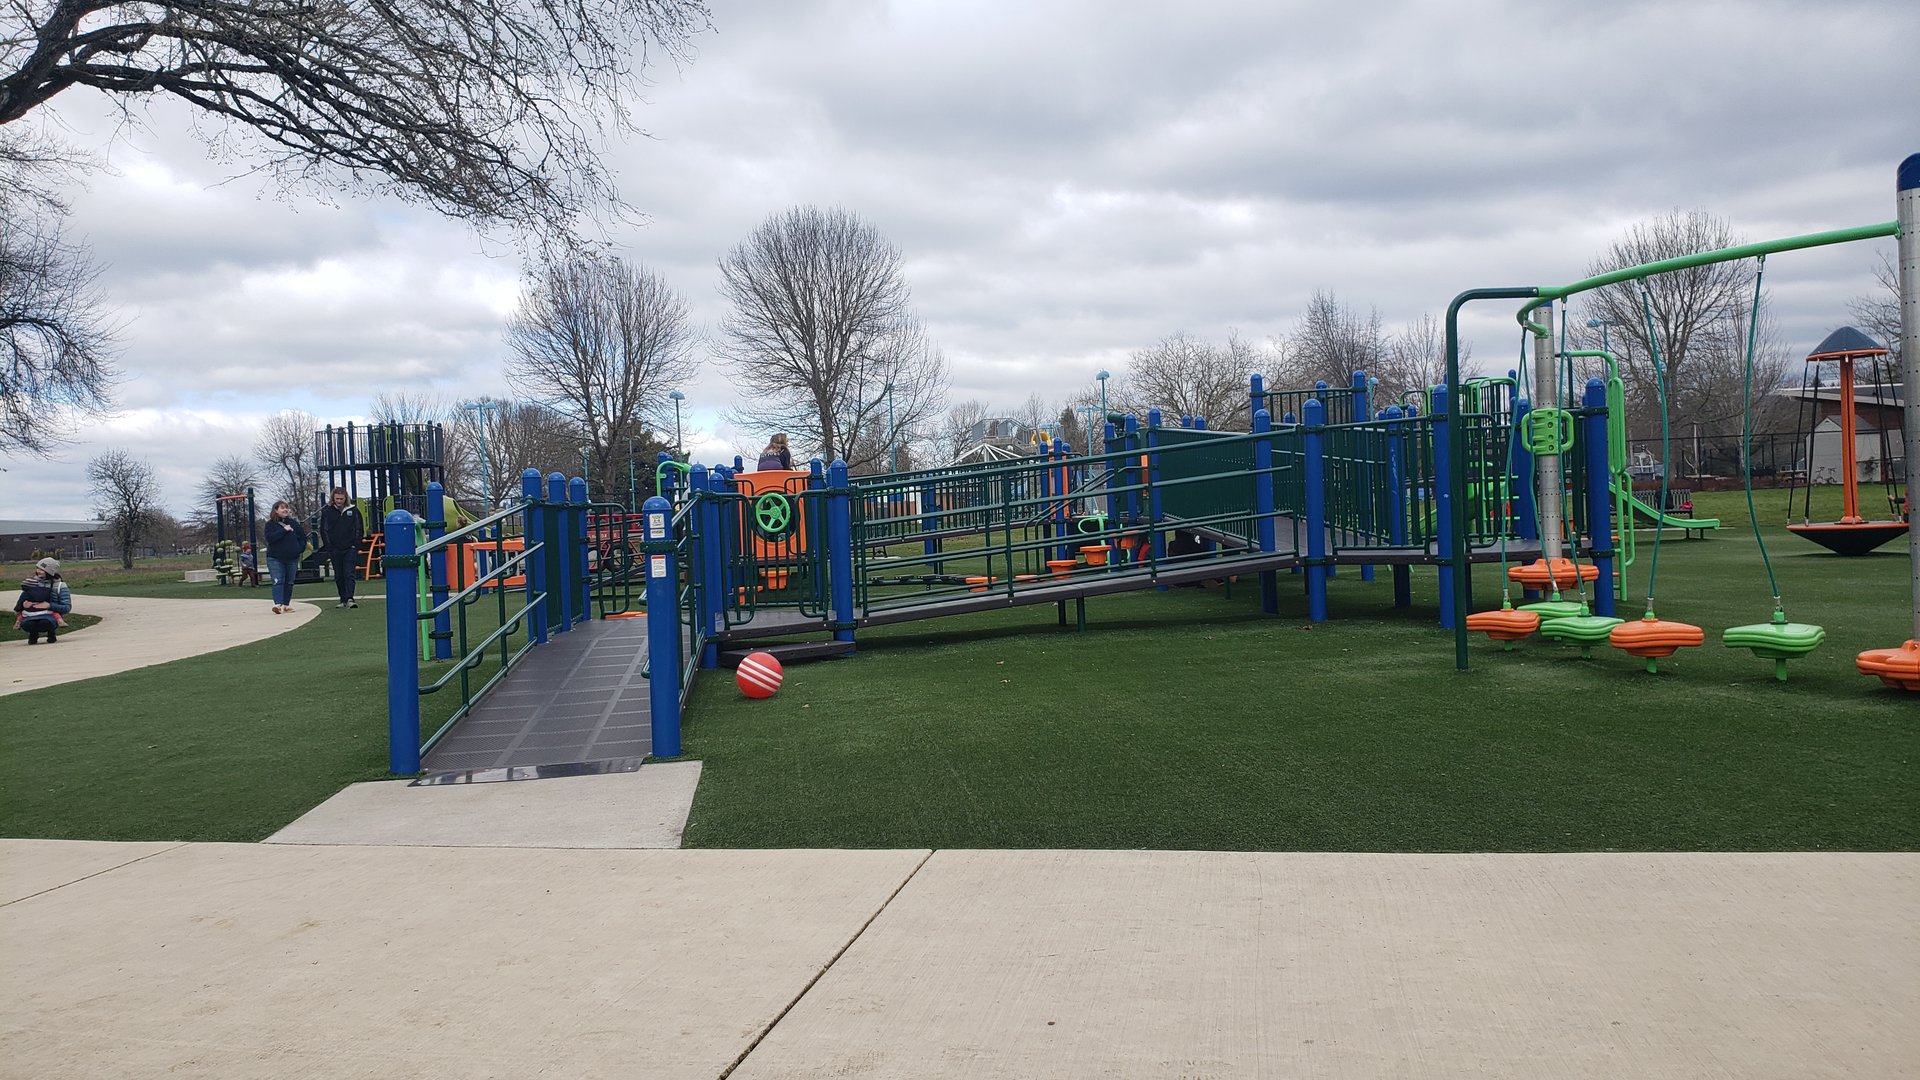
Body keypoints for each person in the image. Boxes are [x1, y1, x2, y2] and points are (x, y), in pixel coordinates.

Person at [318, 486, 364, 608]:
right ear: (333, 498)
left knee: (349, 573)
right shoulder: (327, 512)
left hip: (350, 548)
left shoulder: (353, 511)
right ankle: (342, 598)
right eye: (337, 498)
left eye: (341, 499)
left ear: (345, 498)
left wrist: (356, 544)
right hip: (335, 549)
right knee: (339, 575)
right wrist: (329, 547)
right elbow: (324, 530)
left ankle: (350, 598)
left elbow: (359, 528)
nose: (339, 501)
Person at [262, 500, 309, 614]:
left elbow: (303, 538)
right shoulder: (270, 525)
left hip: (292, 558)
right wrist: (283, 530)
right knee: (278, 581)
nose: (285, 510)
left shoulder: (294, 523)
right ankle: (278, 605)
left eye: (286, 508)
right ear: (275, 510)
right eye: (282, 508)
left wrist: (299, 549)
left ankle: (286, 605)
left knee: (289, 582)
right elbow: (270, 538)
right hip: (275, 558)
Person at [14, 558, 72, 645]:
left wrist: (49, 606)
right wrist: (24, 605)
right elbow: (22, 599)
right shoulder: (32, 583)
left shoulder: (60, 586)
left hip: (50, 614)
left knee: (45, 623)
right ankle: (33, 634)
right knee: (28, 624)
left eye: (42, 569)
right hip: (31, 614)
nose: (38, 571)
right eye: (37, 568)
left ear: (49, 571)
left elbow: (66, 608)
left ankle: (51, 633)